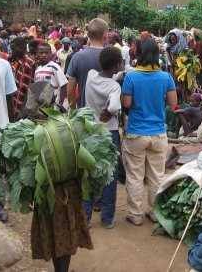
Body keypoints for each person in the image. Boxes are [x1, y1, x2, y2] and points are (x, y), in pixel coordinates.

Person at [121, 38, 177, 226]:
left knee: (135, 176)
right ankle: (154, 212)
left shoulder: (131, 77)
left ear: (138, 54)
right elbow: (173, 103)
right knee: (156, 176)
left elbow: (126, 104)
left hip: (136, 132)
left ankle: (135, 214)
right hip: (158, 133)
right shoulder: (165, 77)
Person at [84, 47, 122, 229]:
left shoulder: (91, 76)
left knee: (91, 173)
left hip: (91, 131)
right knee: (110, 175)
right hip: (109, 132)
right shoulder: (114, 87)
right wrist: (109, 111)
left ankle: (86, 216)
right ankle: (107, 218)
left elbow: (106, 77)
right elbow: (115, 107)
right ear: (116, 66)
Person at [67, 18, 109, 109]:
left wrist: (75, 113)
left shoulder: (77, 57)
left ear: (88, 35)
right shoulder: (113, 57)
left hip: (85, 116)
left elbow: (70, 93)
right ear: (105, 36)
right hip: (107, 116)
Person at [35, 42, 68, 109]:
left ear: (50, 53)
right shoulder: (37, 70)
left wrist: (60, 104)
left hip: (54, 105)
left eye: (46, 53)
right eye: (41, 53)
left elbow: (64, 85)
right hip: (42, 105)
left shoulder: (54, 67)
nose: (44, 55)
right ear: (37, 54)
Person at [9, 37, 36, 117]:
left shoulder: (28, 63)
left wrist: (23, 111)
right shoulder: (21, 62)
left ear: (21, 47)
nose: (12, 51)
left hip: (23, 109)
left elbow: (30, 89)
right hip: (17, 105)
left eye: (13, 49)